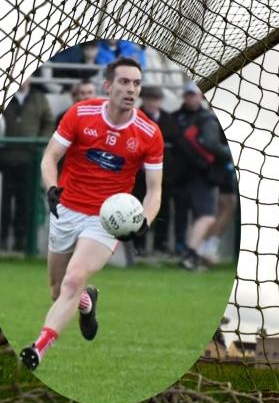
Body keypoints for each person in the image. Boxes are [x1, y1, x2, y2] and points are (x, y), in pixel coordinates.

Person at [19, 57, 164, 371]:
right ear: (107, 85)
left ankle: (38, 350)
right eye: (124, 82)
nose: (131, 89)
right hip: (66, 209)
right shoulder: (80, 113)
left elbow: (154, 191)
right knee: (58, 290)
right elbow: (50, 158)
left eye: (136, 83)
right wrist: (51, 187)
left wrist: (144, 222)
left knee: (73, 280)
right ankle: (87, 302)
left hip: (105, 221)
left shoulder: (149, 133)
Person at [172, 79, 233, 270]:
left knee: (200, 216)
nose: (191, 98)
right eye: (189, 94)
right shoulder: (206, 119)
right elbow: (211, 144)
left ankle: (193, 252)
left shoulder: (179, 117)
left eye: (193, 94)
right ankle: (191, 254)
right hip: (199, 174)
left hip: (189, 174)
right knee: (206, 216)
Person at [0, 77, 54, 252]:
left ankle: (22, 242)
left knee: (25, 203)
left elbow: (48, 121)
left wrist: (40, 142)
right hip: (4, 159)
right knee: (3, 203)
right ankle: (2, 239)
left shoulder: (39, 98)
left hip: (29, 160)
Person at [129, 85, 179, 256]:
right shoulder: (135, 117)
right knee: (137, 208)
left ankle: (161, 244)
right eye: (150, 99)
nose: (153, 102)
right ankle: (138, 244)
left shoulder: (168, 119)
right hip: (139, 174)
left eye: (156, 99)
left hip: (164, 173)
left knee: (163, 209)